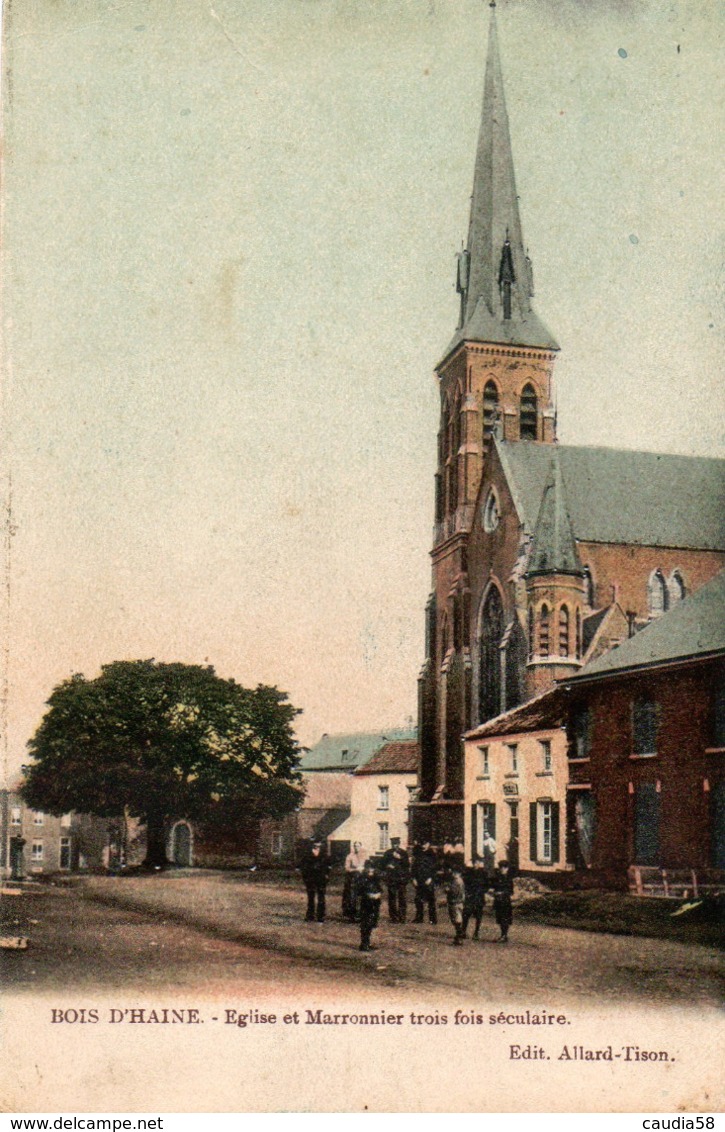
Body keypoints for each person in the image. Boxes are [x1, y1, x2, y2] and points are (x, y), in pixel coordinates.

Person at [299, 839, 331, 923]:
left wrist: (326, 875)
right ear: (312, 845)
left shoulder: (324, 854)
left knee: (321, 898)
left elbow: (328, 866)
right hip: (310, 879)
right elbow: (303, 867)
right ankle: (310, 915)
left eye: (319, 845)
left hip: (321, 879)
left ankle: (321, 916)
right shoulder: (307, 854)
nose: (317, 847)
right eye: (315, 845)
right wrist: (305, 878)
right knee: (311, 897)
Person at [381, 837, 410, 923]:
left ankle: (402, 917)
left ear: (399, 844)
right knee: (392, 898)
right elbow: (382, 865)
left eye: (396, 844)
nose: (395, 846)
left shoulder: (403, 853)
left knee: (402, 898)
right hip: (391, 879)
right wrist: (387, 866)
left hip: (401, 878)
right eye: (393, 844)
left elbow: (407, 865)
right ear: (391, 844)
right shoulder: (388, 853)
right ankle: (394, 917)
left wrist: (400, 858)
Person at [358, 860, 383, 952]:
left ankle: (368, 943)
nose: (370, 870)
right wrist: (368, 895)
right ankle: (364, 944)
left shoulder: (376, 878)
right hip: (366, 903)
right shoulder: (361, 878)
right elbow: (359, 890)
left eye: (372, 868)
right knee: (365, 923)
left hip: (375, 903)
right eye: (368, 868)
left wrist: (378, 894)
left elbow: (380, 888)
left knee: (372, 923)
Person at [412, 840, 438, 924]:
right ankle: (419, 918)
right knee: (418, 900)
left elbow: (435, 868)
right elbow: (414, 867)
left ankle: (432, 919)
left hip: (429, 880)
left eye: (426, 843)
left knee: (431, 900)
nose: (424, 845)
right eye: (422, 843)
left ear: (429, 844)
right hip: (419, 879)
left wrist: (430, 878)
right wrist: (413, 879)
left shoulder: (432, 854)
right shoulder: (418, 854)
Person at [462, 856, 488, 939]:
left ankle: (476, 933)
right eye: (474, 863)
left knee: (478, 916)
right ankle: (463, 932)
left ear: (480, 863)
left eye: (477, 863)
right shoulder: (468, 872)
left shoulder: (483, 873)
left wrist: (482, 891)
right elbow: (465, 884)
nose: (475, 864)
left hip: (479, 897)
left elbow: (486, 886)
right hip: (470, 897)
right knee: (466, 914)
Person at [492, 859, 515, 942]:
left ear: (507, 869)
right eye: (501, 867)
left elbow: (511, 891)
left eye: (504, 867)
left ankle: (504, 935)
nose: (502, 869)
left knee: (505, 918)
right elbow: (494, 887)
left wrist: (501, 893)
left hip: (505, 901)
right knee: (500, 918)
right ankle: (503, 935)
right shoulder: (498, 878)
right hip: (498, 901)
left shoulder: (509, 879)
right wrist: (494, 892)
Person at [342, 841, 366, 921]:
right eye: (355, 846)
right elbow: (347, 868)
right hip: (353, 879)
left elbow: (368, 866)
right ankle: (352, 915)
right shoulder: (350, 856)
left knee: (362, 896)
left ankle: (361, 915)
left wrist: (363, 869)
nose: (356, 848)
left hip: (362, 878)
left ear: (361, 846)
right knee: (352, 896)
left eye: (358, 846)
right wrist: (355, 869)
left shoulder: (364, 856)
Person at [445, 865, 466, 946]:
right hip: (459, 901)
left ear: (459, 873)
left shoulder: (456, 882)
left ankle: (459, 936)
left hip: (455, 901)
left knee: (456, 918)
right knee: (457, 918)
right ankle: (459, 935)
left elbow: (453, 891)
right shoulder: (460, 881)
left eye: (456, 873)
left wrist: (447, 890)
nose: (454, 874)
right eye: (454, 873)